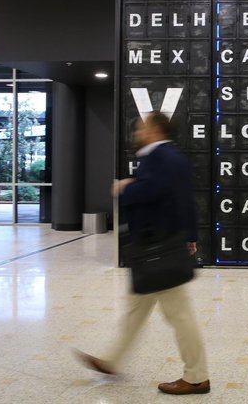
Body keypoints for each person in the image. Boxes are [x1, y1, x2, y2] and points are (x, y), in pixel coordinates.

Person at [76, 112, 210, 395]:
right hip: (158, 249)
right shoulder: (173, 158)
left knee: (180, 315)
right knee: (136, 309)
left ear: (153, 129)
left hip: (157, 250)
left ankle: (197, 377)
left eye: (140, 127)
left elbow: (153, 191)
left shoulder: (160, 159)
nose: (136, 132)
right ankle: (112, 361)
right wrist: (191, 236)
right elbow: (186, 201)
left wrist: (126, 187)